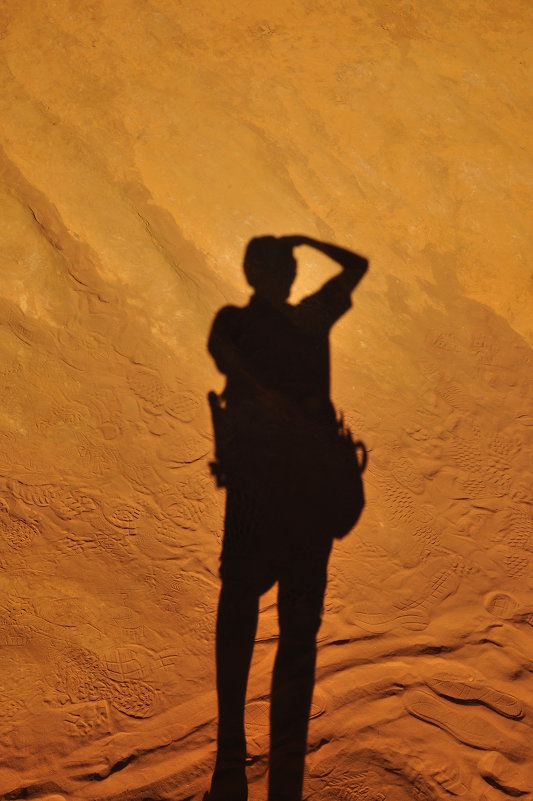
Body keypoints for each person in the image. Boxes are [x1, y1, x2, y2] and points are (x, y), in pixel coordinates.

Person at [206, 235, 368, 801]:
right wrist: (308, 241)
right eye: (287, 264)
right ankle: (272, 781)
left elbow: (223, 354)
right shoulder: (305, 319)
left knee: (252, 613)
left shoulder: (250, 321)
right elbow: (357, 266)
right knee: (287, 630)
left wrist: (256, 395)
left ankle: (234, 770)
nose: (289, 271)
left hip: (275, 492)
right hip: (295, 496)